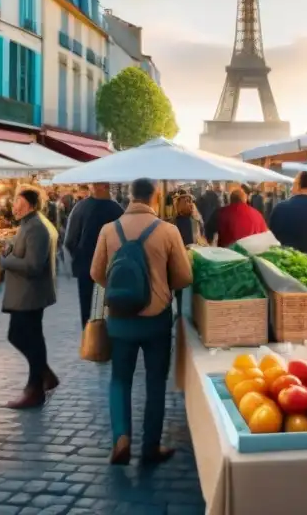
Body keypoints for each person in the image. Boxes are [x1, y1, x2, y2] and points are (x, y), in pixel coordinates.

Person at [91, 178, 193, 466]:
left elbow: (96, 273)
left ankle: (121, 438)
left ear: (130, 197)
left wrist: (120, 289)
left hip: (120, 319)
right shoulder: (168, 231)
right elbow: (185, 277)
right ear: (155, 196)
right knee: (155, 383)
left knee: (119, 380)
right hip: (156, 320)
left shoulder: (109, 230)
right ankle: (151, 446)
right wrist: (161, 285)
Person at [0, 188, 56, 409]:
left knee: (23, 336)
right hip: (25, 294)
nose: (13, 206)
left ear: (30, 205)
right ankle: (43, 379)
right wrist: (10, 247)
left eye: (18, 202)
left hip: (29, 295)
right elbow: (23, 250)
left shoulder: (36, 228)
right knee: (27, 337)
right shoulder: (27, 225)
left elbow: (33, 265)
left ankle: (36, 387)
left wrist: (5, 261)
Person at [64, 181, 125, 329]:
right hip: (111, 270)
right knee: (111, 309)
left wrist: (79, 257)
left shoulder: (80, 207)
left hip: (86, 268)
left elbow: (70, 241)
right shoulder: (117, 210)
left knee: (87, 311)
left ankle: (90, 341)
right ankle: (108, 342)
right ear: (106, 187)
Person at [203, 186, 268, 248]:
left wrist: (209, 241)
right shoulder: (257, 214)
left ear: (230, 200)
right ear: (245, 200)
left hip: (229, 254)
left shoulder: (221, 212)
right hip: (251, 254)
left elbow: (208, 228)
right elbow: (264, 235)